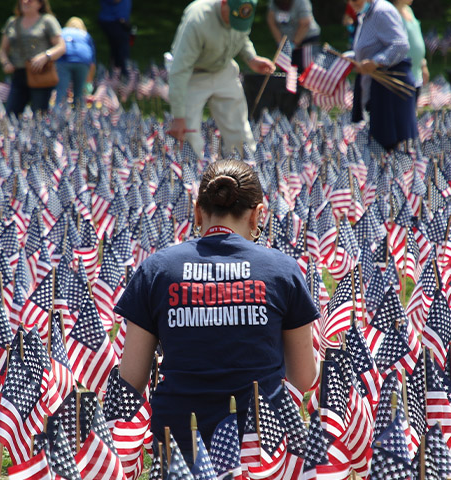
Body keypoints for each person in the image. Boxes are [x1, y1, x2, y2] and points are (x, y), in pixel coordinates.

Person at [117, 160, 318, 454]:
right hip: (261, 450)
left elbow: (130, 380)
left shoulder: (156, 270)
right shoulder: (282, 270)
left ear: (198, 211)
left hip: (179, 448)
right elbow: (303, 378)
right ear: (258, 215)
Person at [167, 0, 276, 156]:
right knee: (188, 134)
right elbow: (179, 69)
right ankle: (192, 176)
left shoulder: (240, 16)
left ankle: (242, 173)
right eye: (233, 19)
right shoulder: (197, 19)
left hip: (223, 70)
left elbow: (241, 36)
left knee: (240, 133)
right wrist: (178, 116)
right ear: (224, 2)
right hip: (193, 75)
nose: (234, 24)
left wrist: (251, 58)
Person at [348, 0, 417, 150]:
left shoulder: (381, 11)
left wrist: (376, 62)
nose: (351, 3)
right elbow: (366, 49)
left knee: (391, 151)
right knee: (380, 149)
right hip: (378, 87)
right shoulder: (366, 14)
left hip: (391, 89)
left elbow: (400, 44)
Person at [0, 0, 65, 116]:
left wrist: (46, 56)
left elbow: (61, 46)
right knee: (11, 114)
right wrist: (5, 63)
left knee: (39, 115)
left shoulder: (47, 20)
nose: (25, 2)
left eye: (30, 1)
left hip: (40, 72)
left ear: (40, 4)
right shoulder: (12, 22)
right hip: (19, 73)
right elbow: (2, 49)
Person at [266, 0, 320, 69]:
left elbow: (305, 23)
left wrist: (294, 44)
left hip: (306, 39)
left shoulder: (301, 2)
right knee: (286, 70)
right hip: (286, 42)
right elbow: (271, 21)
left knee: (306, 69)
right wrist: (280, 43)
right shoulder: (274, 2)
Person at [55, 17, 95, 108]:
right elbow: (92, 62)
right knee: (79, 94)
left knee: (61, 93)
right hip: (82, 62)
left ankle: (57, 116)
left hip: (64, 61)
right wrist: (89, 80)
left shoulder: (62, 32)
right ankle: (79, 119)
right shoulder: (86, 35)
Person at [391, 0, 427, 99]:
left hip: (417, 72)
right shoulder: (392, 14)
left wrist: (423, 64)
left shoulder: (408, 10)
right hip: (402, 75)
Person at [98, 0, 131, 72]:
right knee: (122, 49)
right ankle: (122, 73)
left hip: (117, 21)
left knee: (116, 49)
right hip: (113, 20)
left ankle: (115, 72)